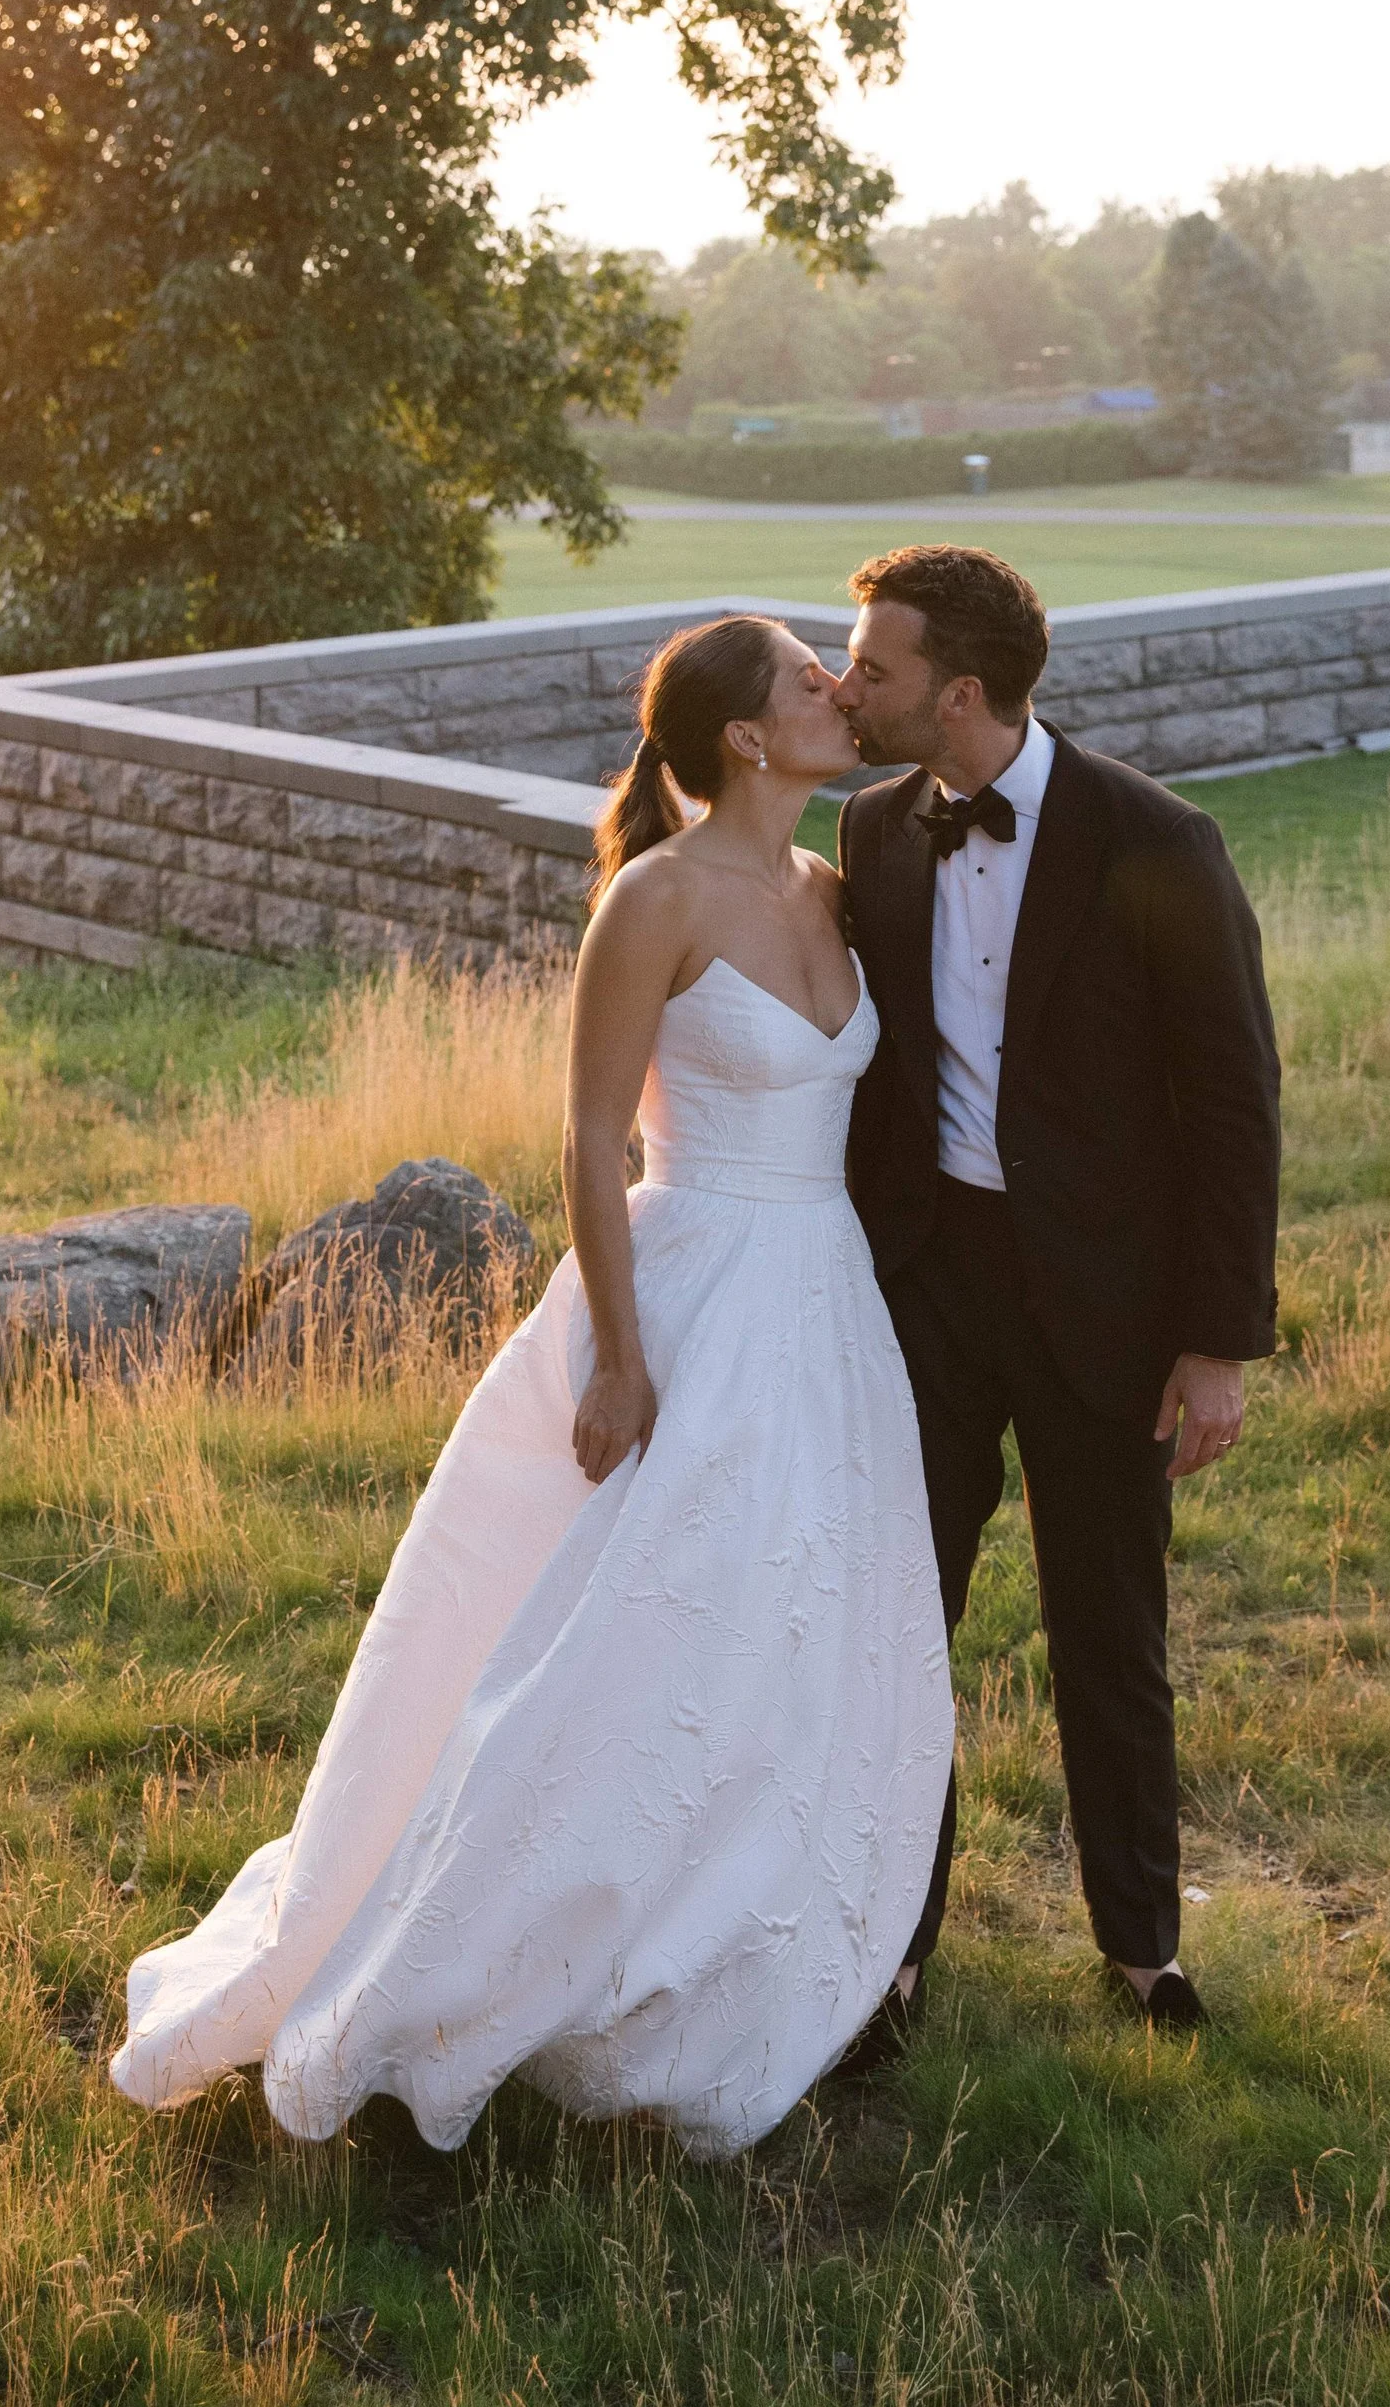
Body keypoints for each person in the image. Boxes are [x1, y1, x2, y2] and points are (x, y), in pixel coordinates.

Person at [108, 615, 953, 2152]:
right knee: (607, 1644)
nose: (839, 691)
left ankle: (730, 1932)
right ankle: (489, 1955)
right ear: (748, 740)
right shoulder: (655, 898)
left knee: (785, 1625)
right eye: (806, 680)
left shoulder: (830, 889)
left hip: (825, 1307)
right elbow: (584, 1138)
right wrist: (622, 1354)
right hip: (690, 1290)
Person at [831, 541, 1279, 2038]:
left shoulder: (1161, 841)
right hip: (931, 1287)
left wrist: (1216, 1341)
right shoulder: (873, 828)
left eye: (874, 667)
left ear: (959, 691)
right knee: (908, 1619)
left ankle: (1142, 1941)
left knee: (1110, 1623)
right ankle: (893, 1942)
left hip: (1111, 1304)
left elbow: (1233, 1102)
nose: (849, 685)